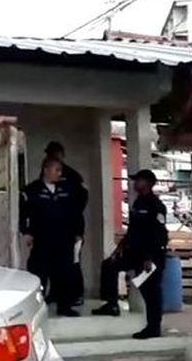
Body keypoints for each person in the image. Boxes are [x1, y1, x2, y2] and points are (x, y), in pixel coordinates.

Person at [91, 169, 168, 339]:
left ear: (148, 183)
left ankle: (153, 328)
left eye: (138, 180)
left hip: (151, 256)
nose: (134, 184)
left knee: (151, 292)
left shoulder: (156, 206)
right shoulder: (137, 203)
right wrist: (119, 249)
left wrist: (149, 258)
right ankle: (111, 304)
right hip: (134, 252)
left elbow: (158, 235)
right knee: (109, 265)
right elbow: (133, 231)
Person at [21, 158, 84, 317]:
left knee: (64, 273)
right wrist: (26, 232)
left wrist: (78, 233)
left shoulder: (66, 189)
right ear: (46, 170)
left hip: (64, 238)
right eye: (56, 170)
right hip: (42, 238)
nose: (59, 174)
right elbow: (25, 213)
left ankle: (64, 306)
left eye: (60, 170)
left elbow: (76, 213)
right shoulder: (32, 190)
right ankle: (36, 307)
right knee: (39, 273)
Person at [44, 141, 89, 305]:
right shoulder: (45, 175)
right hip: (52, 228)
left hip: (72, 227)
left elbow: (82, 200)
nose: (51, 157)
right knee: (53, 262)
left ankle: (77, 294)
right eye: (49, 154)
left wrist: (71, 219)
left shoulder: (72, 176)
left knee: (73, 261)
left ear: (61, 155)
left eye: (54, 154)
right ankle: (56, 293)